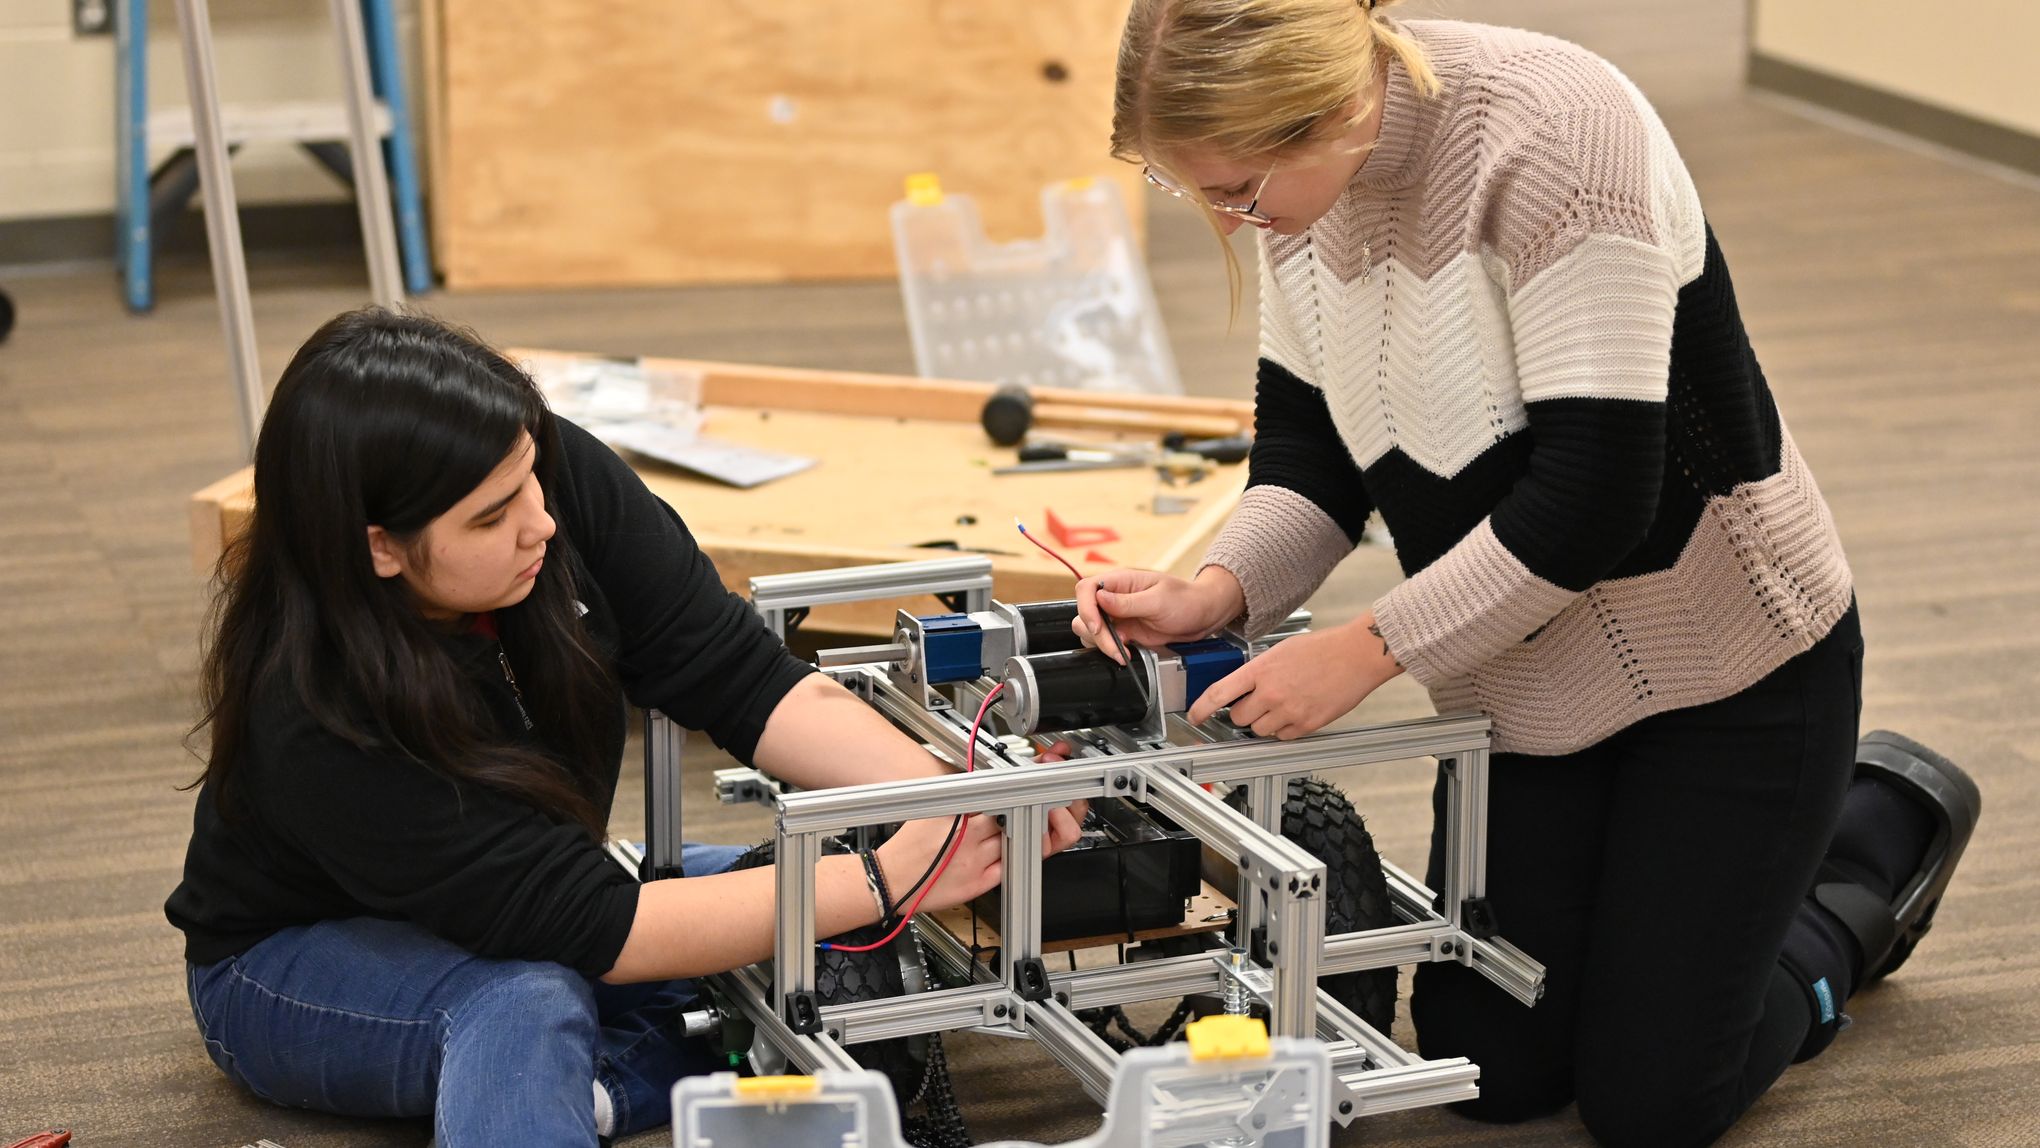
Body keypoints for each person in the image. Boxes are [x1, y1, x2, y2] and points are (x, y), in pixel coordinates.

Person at [1085, 3, 1979, 1145]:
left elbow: (1596, 491)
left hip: (1732, 674)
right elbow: (1313, 462)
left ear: (1336, 107)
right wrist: (1218, 589)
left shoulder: (1559, 135)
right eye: (1195, 189)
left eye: (1240, 189)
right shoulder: (1300, 183)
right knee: (1490, 1069)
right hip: (1525, 687)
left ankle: (1866, 855)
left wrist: (1362, 653)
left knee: (1654, 1103)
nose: (1228, 217)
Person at [164, 308, 1086, 1146]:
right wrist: (894, 874)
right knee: (526, 1001)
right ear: (378, 547)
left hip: (543, 879)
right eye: (492, 516)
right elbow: (601, 928)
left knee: (813, 895)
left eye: (530, 479)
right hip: (294, 960)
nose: (543, 524)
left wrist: (962, 803)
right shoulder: (320, 717)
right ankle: (575, 1091)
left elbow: (742, 678)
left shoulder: (545, 479)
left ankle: (596, 1089)